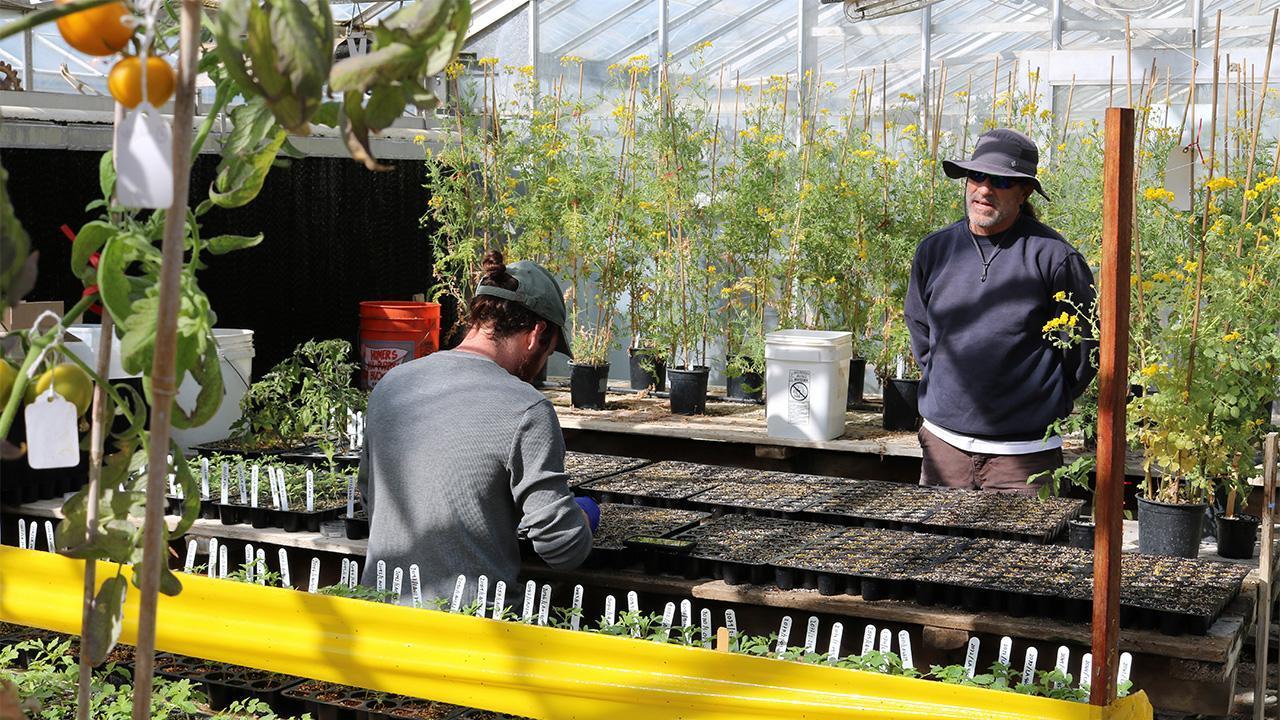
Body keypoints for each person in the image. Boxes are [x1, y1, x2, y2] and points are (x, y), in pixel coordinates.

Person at [359, 250, 598, 605]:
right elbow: (561, 548)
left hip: (379, 619)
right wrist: (585, 513)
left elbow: (369, 497)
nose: (542, 364)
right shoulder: (526, 408)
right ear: (536, 334)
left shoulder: (392, 385)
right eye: (548, 352)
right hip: (471, 638)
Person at [904, 128, 1097, 494]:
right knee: (939, 550)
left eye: (1002, 181)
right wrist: (945, 384)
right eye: (977, 176)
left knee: (1022, 552)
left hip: (1023, 458)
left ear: (1024, 192)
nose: (984, 189)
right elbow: (920, 328)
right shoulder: (935, 250)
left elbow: (1085, 350)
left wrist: (1042, 398)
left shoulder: (1054, 258)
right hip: (944, 448)